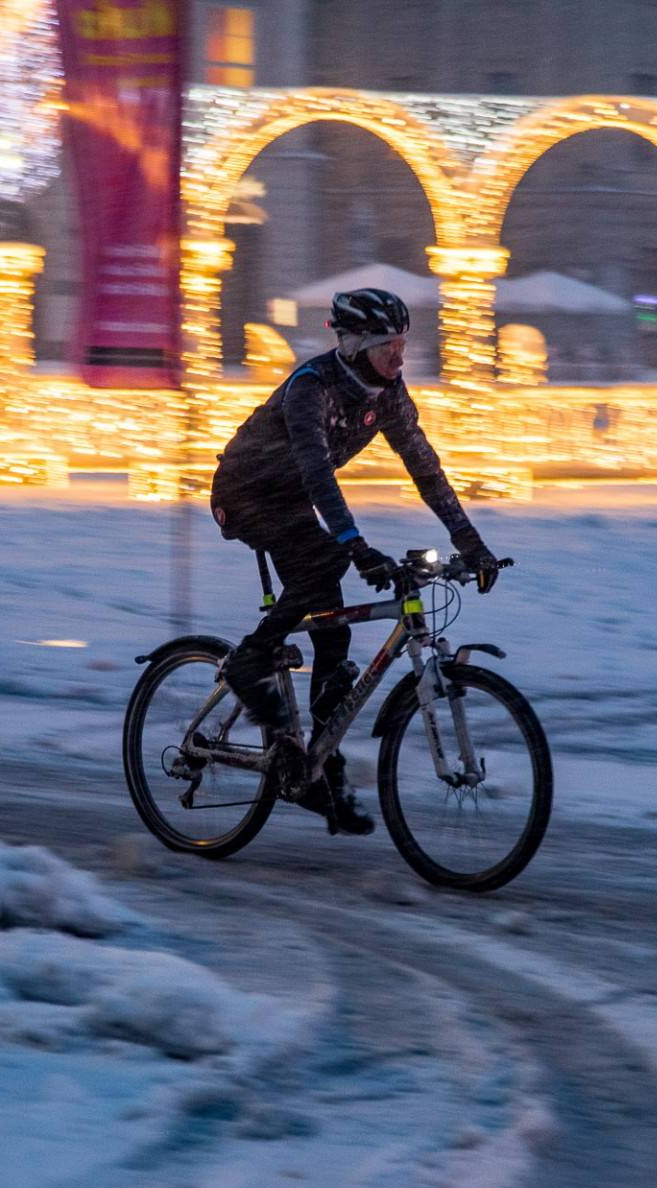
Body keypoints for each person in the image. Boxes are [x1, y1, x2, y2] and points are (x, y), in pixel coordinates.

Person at [209, 287, 503, 836]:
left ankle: (318, 772)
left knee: (334, 632)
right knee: (326, 564)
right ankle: (251, 661)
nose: (399, 355)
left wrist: (471, 544)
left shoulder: (387, 393)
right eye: (388, 344)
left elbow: (425, 468)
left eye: (403, 343)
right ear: (355, 345)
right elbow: (318, 474)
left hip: (291, 501)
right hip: (244, 494)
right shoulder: (311, 389)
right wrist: (356, 545)